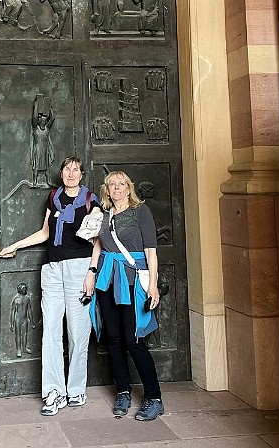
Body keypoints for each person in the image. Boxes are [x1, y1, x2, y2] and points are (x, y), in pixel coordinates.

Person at [0, 157, 101, 415]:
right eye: (67, 169)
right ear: (61, 173)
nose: (71, 173)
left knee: (77, 332)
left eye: (75, 170)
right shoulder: (54, 197)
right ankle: (54, 392)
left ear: (82, 174)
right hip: (53, 269)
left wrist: (91, 273)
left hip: (79, 269)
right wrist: (15, 245)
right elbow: (45, 233)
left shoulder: (90, 200)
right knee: (51, 331)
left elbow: (98, 241)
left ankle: (76, 389)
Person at [88, 170, 164, 421]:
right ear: (107, 190)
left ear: (129, 188)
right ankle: (122, 391)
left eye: (121, 184)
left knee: (134, 340)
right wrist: (91, 273)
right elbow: (98, 244)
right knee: (114, 339)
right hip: (108, 280)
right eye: (112, 184)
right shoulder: (103, 215)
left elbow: (151, 251)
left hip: (133, 281)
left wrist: (153, 285)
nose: (117, 188)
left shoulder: (141, 211)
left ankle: (154, 397)